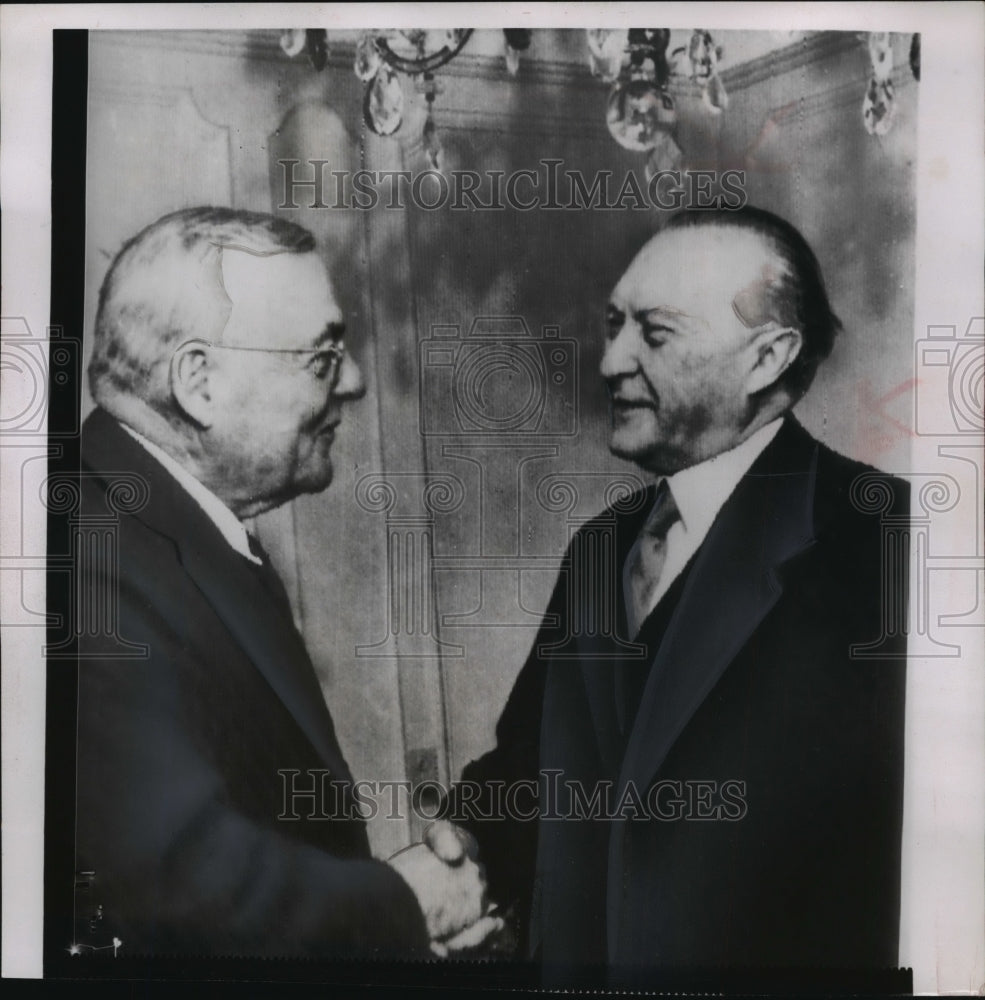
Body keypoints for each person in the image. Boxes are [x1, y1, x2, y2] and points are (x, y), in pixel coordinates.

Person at [456, 207, 908, 979]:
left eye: (655, 334)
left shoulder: (889, 540)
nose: (610, 361)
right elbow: (531, 767)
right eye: (613, 326)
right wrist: (462, 844)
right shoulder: (600, 546)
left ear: (766, 358)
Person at [72, 207, 491, 959]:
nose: (354, 381)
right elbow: (171, 879)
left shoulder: (161, 528)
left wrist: (370, 895)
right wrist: (402, 907)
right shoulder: (90, 556)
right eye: (322, 356)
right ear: (199, 383)